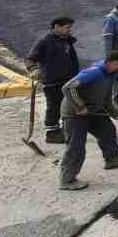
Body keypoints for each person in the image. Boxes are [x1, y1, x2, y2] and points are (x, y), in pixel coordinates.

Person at [59, 51, 118, 190]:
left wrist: (114, 113)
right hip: (75, 114)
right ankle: (67, 180)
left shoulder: (110, 74)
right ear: (113, 63)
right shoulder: (94, 72)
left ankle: (112, 159)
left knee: (108, 131)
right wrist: (79, 106)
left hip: (93, 111)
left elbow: (105, 97)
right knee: (76, 147)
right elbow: (68, 87)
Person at [26, 16, 81, 144]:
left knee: (67, 105)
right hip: (52, 82)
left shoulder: (66, 40)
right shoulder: (45, 41)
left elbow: (72, 59)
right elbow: (30, 59)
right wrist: (34, 69)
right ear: (57, 27)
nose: (70, 30)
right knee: (54, 107)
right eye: (67, 28)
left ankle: (65, 129)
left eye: (70, 28)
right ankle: (51, 133)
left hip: (68, 81)